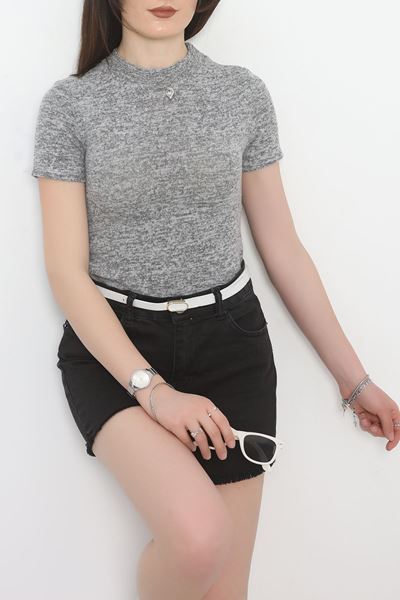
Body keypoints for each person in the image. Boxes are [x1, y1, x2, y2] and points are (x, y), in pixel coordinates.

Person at [31, 1, 400, 599]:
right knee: (200, 540)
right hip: (115, 349)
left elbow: (284, 250)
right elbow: (66, 272)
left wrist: (354, 382)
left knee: (226, 590)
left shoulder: (240, 93)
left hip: (231, 346)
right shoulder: (71, 106)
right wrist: (156, 393)